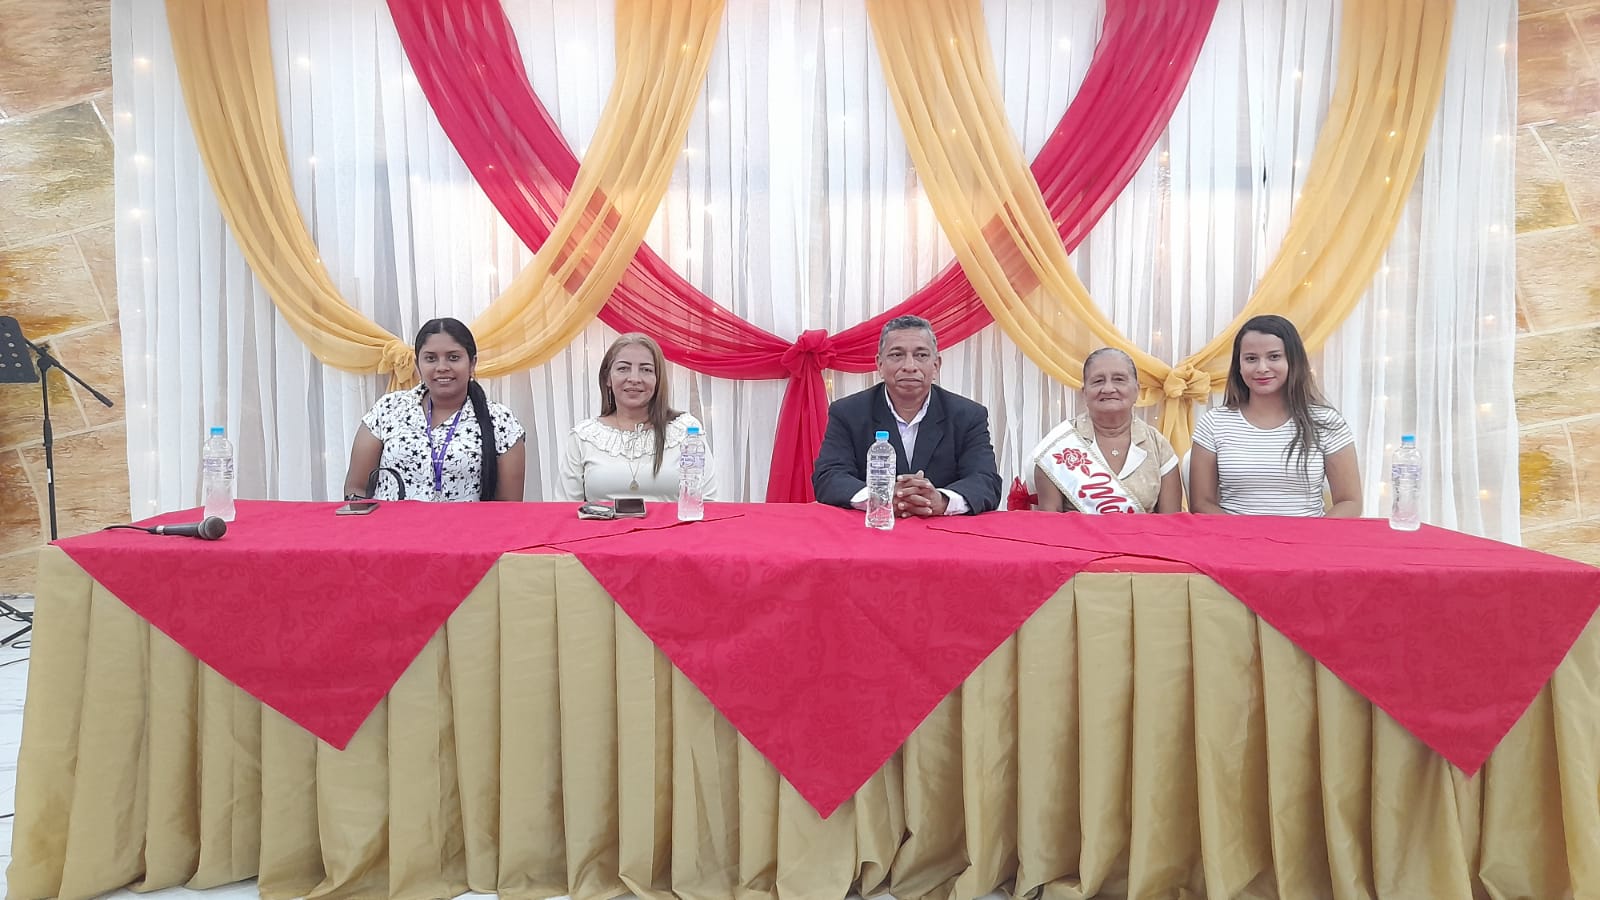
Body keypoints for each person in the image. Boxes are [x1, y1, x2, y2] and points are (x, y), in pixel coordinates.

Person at [813, 315, 1002, 516]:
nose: (910, 366)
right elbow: (828, 476)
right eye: (897, 355)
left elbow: (986, 480)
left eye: (921, 355)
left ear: (936, 365)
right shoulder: (848, 413)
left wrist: (941, 500)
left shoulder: (968, 416)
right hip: (873, 528)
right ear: (879, 365)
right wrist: (880, 497)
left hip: (943, 530)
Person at [1188, 314, 1361, 517]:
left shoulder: (1327, 422)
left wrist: (1311, 533)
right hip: (1233, 535)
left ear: (1293, 361)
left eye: (1274, 357)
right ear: (1238, 366)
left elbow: (1350, 502)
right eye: (1251, 359)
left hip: (1308, 535)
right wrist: (1241, 534)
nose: (1262, 368)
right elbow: (1201, 504)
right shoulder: (1214, 423)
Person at [343, 318, 527, 501]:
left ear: (472, 363)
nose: (442, 367)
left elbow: (509, 508)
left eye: (453, 357)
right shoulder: (388, 409)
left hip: (467, 522)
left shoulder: (500, 421)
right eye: (431, 358)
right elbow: (356, 489)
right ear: (418, 365)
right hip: (390, 521)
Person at [561, 333, 718, 504]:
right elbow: (563, 509)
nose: (634, 379)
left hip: (674, 523)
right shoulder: (584, 437)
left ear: (658, 379)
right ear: (607, 378)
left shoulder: (687, 431)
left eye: (646, 370)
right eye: (623, 368)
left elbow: (708, 502)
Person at [1030, 348, 1182, 514]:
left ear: (1136, 390)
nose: (1108, 388)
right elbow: (1050, 523)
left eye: (1119, 379)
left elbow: (1170, 523)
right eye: (1098, 381)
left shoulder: (1159, 447)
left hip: (1146, 532)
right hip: (1074, 532)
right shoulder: (1058, 445)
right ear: (1084, 393)